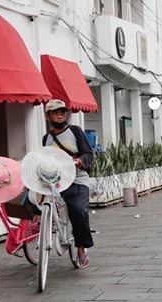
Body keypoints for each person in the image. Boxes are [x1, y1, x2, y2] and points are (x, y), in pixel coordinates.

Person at [42, 99, 94, 268]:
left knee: (78, 210)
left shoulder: (75, 131)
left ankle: (81, 248)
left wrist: (79, 161)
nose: (59, 115)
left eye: (62, 112)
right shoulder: (46, 138)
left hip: (77, 178)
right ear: (48, 115)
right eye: (55, 112)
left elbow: (88, 154)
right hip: (55, 181)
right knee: (34, 202)